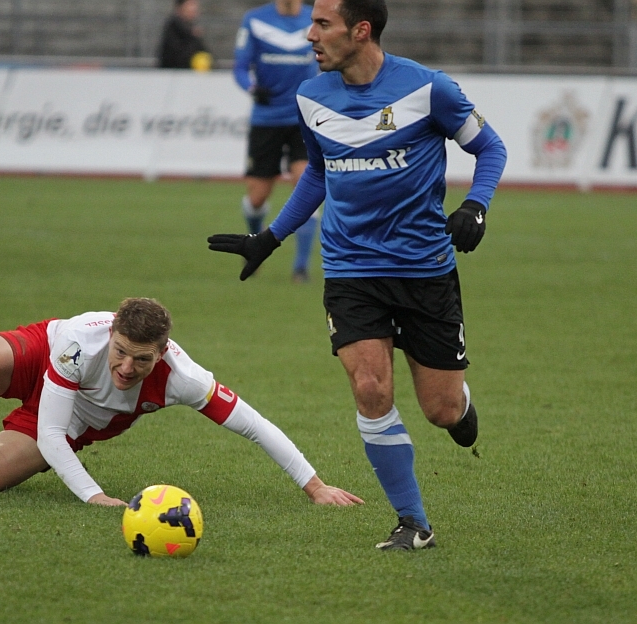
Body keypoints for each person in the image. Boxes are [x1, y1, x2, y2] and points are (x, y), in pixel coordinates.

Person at [208, 0, 507, 550]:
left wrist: (476, 206)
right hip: (350, 269)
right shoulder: (310, 96)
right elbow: (319, 173)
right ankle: (413, 522)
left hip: (424, 269)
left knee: (440, 409)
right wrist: (270, 238)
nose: (310, 35)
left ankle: (460, 408)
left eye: (323, 24)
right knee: (370, 388)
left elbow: (489, 147)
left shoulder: (430, 88)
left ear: (360, 30)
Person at [0, 298, 364, 508]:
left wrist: (314, 487)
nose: (127, 368)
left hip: (78, 420)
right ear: (111, 334)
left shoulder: (182, 377)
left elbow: (253, 424)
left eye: (141, 360)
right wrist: (94, 496)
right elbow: (50, 430)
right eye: (121, 353)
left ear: (162, 353)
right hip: (43, 357)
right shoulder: (77, 343)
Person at [234, 0, 320, 283]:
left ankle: (300, 268)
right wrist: (252, 88)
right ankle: (254, 248)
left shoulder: (315, 19)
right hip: (266, 120)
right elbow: (240, 67)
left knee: (306, 186)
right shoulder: (255, 20)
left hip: (303, 118)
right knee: (258, 196)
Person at [157, 0, 212, 70]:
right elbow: (176, 58)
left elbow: (206, 54)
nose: (194, 8)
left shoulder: (190, 29)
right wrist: (193, 38)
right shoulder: (173, 28)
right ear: (179, 8)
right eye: (191, 5)